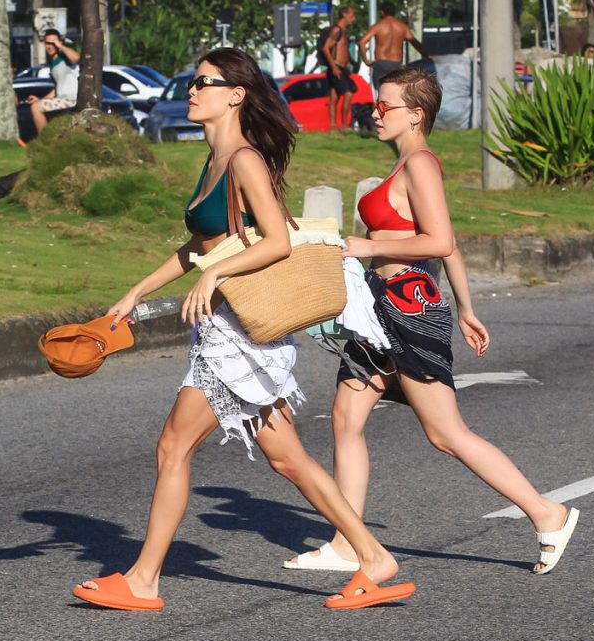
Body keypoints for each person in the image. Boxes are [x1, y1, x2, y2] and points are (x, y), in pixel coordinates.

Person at [71, 47, 415, 612]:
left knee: (173, 446)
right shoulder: (215, 159)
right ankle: (373, 557)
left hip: (240, 333)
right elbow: (201, 247)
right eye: (193, 82)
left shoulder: (245, 160)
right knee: (289, 460)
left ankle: (143, 580)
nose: (192, 91)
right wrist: (136, 293)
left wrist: (217, 275)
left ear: (236, 94)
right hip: (232, 329)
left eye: (204, 83)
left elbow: (277, 239)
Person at [284, 69, 579, 576]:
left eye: (386, 106)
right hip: (380, 306)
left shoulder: (420, 164)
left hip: (409, 307)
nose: (375, 112)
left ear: (416, 114)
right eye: (376, 105)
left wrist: (371, 245)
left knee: (445, 433)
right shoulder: (405, 164)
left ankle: (546, 513)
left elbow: (439, 242)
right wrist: (466, 308)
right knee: (345, 418)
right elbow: (451, 243)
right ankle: (348, 542)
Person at [358, 1, 432, 93]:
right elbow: (415, 43)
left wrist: (366, 61)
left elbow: (362, 42)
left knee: (381, 94)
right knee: (395, 94)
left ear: (382, 12)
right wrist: (427, 56)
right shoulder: (402, 27)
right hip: (396, 65)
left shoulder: (379, 26)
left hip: (381, 64)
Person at [26, 28, 80, 136]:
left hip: (72, 99)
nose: (50, 46)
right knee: (36, 105)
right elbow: (56, 89)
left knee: (36, 108)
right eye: (47, 43)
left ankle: (45, 142)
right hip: (62, 99)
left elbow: (77, 58)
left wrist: (60, 46)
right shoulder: (53, 63)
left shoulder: (65, 57)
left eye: (53, 43)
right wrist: (40, 100)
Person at [321, 7, 357, 132]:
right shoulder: (337, 30)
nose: (354, 18)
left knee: (334, 98)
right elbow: (326, 48)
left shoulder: (342, 31)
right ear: (345, 14)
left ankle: (333, 126)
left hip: (341, 68)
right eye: (352, 15)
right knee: (348, 94)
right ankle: (344, 125)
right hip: (337, 68)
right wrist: (334, 67)